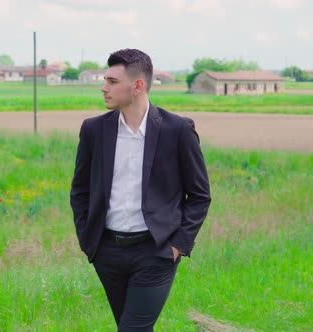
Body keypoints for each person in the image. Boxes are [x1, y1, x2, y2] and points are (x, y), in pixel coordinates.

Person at [70, 49, 211, 331]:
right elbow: (80, 191)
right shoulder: (93, 130)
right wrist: (89, 242)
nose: (104, 87)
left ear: (137, 86)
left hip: (156, 252)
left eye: (112, 81)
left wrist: (177, 245)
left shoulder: (178, 130)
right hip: (107, 252)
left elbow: (199, 195)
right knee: (130, 325)